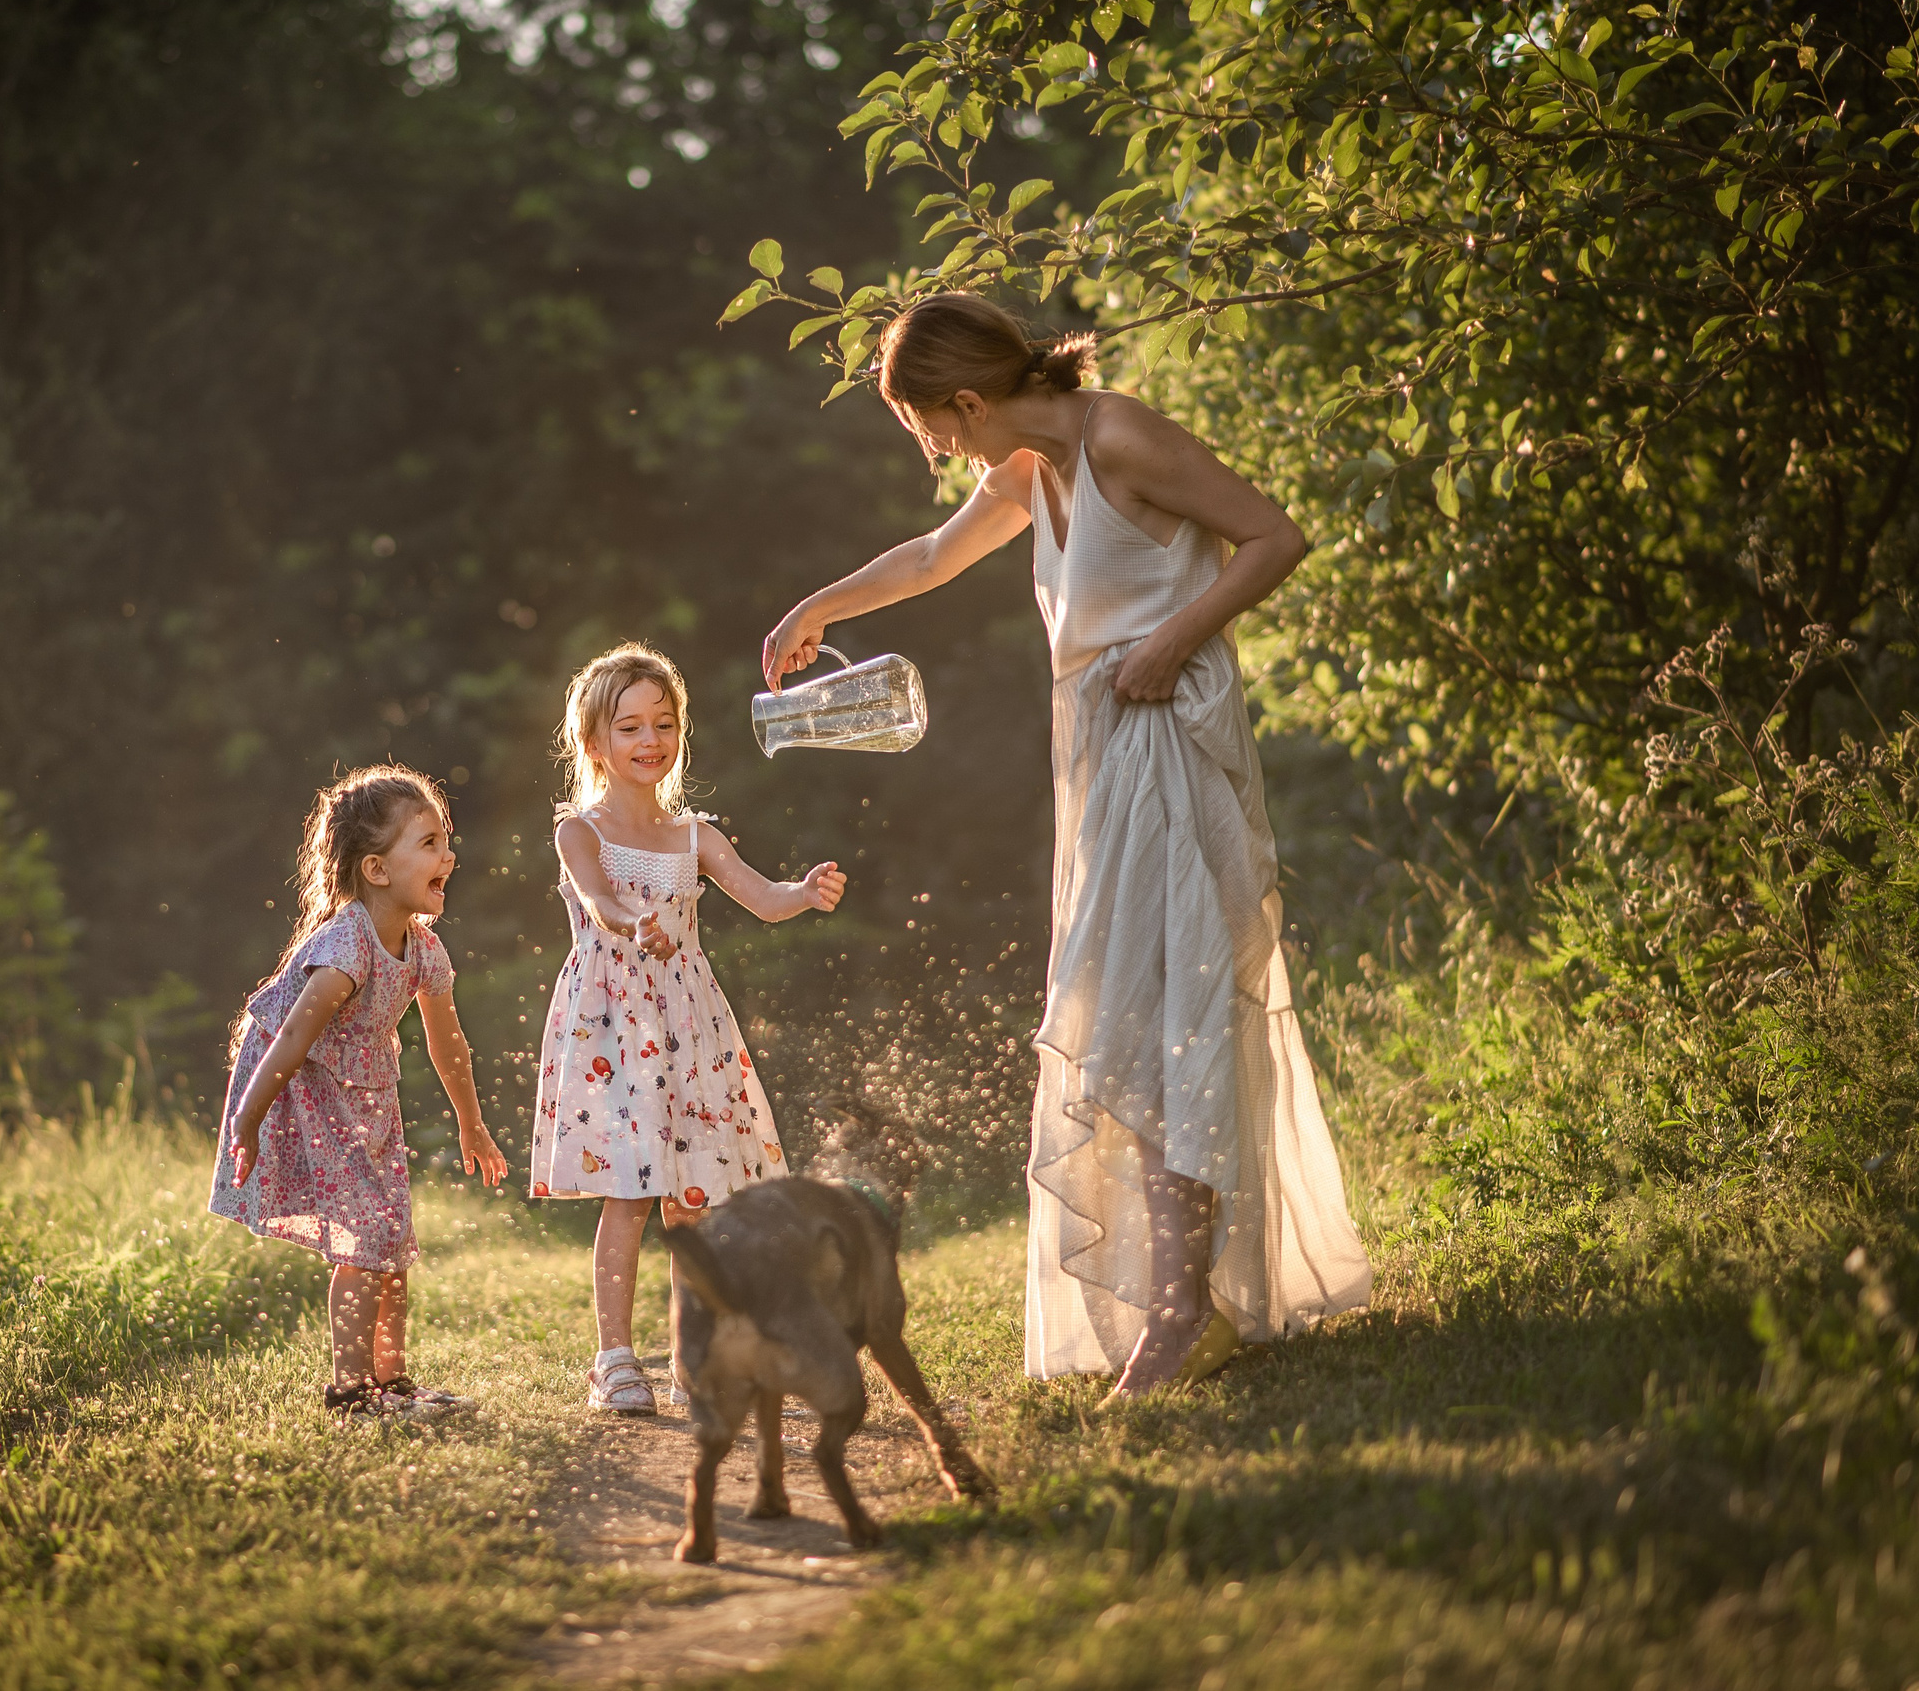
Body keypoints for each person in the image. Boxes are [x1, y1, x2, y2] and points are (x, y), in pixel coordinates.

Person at [762, 294, 1371, 1399]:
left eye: (926, 426)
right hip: (1099, 757)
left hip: (1170, 743)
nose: (931, 448)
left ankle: (1184, 1310)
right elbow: (930, 559)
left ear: (964, 399)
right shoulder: (1026, 471)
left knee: (1148, 1016)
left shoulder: (1119, 436)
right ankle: (1184, 1301)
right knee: (1129, 1018)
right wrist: (818, 603)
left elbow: (1275, 535)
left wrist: (1171, 639)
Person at [528, 644, 848, 1415]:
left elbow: (760, 896)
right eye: (630, 726)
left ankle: (690, 1358)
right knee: (629, 1195)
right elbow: (602, 901)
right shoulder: (581, 830)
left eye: (663, 723)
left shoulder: (694, 834)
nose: (649, 740)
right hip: (612, 1031)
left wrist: (802, 893)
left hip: (687, 1028)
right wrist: (640, 922)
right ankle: (614, 1358)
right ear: (595, 743)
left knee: (692, 1201)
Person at [209, 764, 509, 1421]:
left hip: (368, 1093)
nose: (447, 855)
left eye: (445, 839)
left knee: (391, 1237)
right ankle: (351, 1391)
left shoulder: (423, 950)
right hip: (306, 1090)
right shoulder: (346, 948)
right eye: (427, 842)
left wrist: (471, 1122)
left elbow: (448, 1044)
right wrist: (248, 1119)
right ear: (376, 869)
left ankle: (392, 1380)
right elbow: (289, 1039)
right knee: (363, 1236)